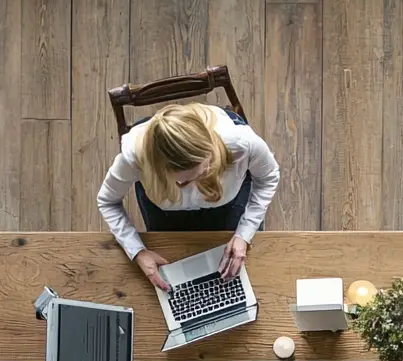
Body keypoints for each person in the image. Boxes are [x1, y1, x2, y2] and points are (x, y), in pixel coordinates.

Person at [96, 102, 281, 289]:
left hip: (228, 202)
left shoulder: (242, 143)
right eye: (184, 182)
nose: (198, 186)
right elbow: (107, 201)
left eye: (207, 169)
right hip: (167, 212)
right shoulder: (133, 159)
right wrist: (137, 251)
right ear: (160, 171)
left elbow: (268, 177)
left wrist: (244, 233)